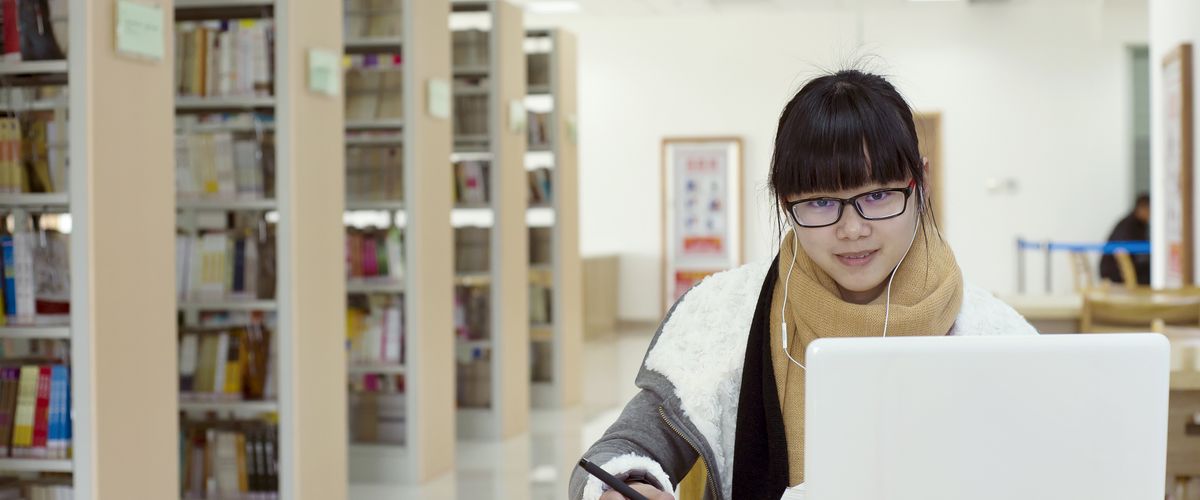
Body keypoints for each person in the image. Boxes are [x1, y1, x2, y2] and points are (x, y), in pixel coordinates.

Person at [569, 69, 1038, 500]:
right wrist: (624, 486)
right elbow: (623, 449)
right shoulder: (723, 315)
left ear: (922, 182)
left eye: (876, 195)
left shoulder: (994, 335)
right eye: (818, 202)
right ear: (784, 198)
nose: (852, 229)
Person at [1098, 193, 1151, 285]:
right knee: (1152, 272)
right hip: (1114, 271)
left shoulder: (1137, 224)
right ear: (1141, 208)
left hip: (1116, 269)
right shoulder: (1130, 225)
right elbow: (1128, 251)